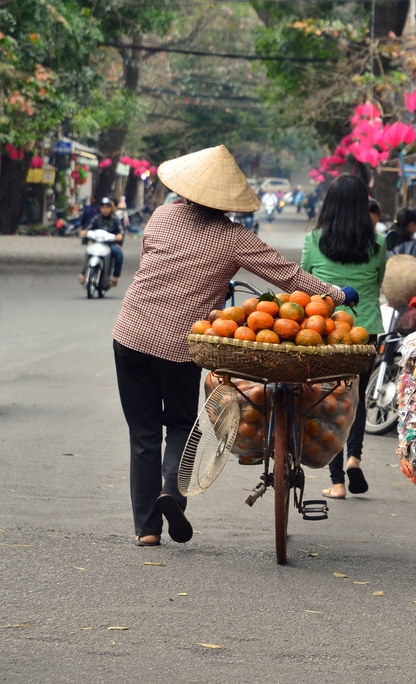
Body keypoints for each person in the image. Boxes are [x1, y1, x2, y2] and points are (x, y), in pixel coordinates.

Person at [111, 145, 357, 548]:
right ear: (228, 201)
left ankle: (147, 529)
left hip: (131, 334)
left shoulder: (161, 215)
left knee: (142, 435)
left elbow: (155, 265)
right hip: (178, 346)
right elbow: (289, 276)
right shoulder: (234, 238)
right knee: (177, 425)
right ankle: (172, 491)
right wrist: (338, 294)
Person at [301, 175, 387, 499]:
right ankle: (354, 458)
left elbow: (304, 283)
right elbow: (378, 282)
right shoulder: (378, 244)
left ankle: (337, 482)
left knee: (330, 400)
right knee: (357, 397)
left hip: (326, 330)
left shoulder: (314, 240)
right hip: (366, 330)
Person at [79, 197, 125, 287]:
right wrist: (85, 232)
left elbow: (121, 231)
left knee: (119, 254)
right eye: (103, 207)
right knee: (89, 252)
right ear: (100, 208)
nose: (105, 210)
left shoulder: (115, 220)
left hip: (109, 244)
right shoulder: (96, 218)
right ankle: (83, 274)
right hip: (97, 243)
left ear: (111, 208)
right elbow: (89, 228)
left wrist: (119, 236)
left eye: (107, 207)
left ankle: (115, 278)